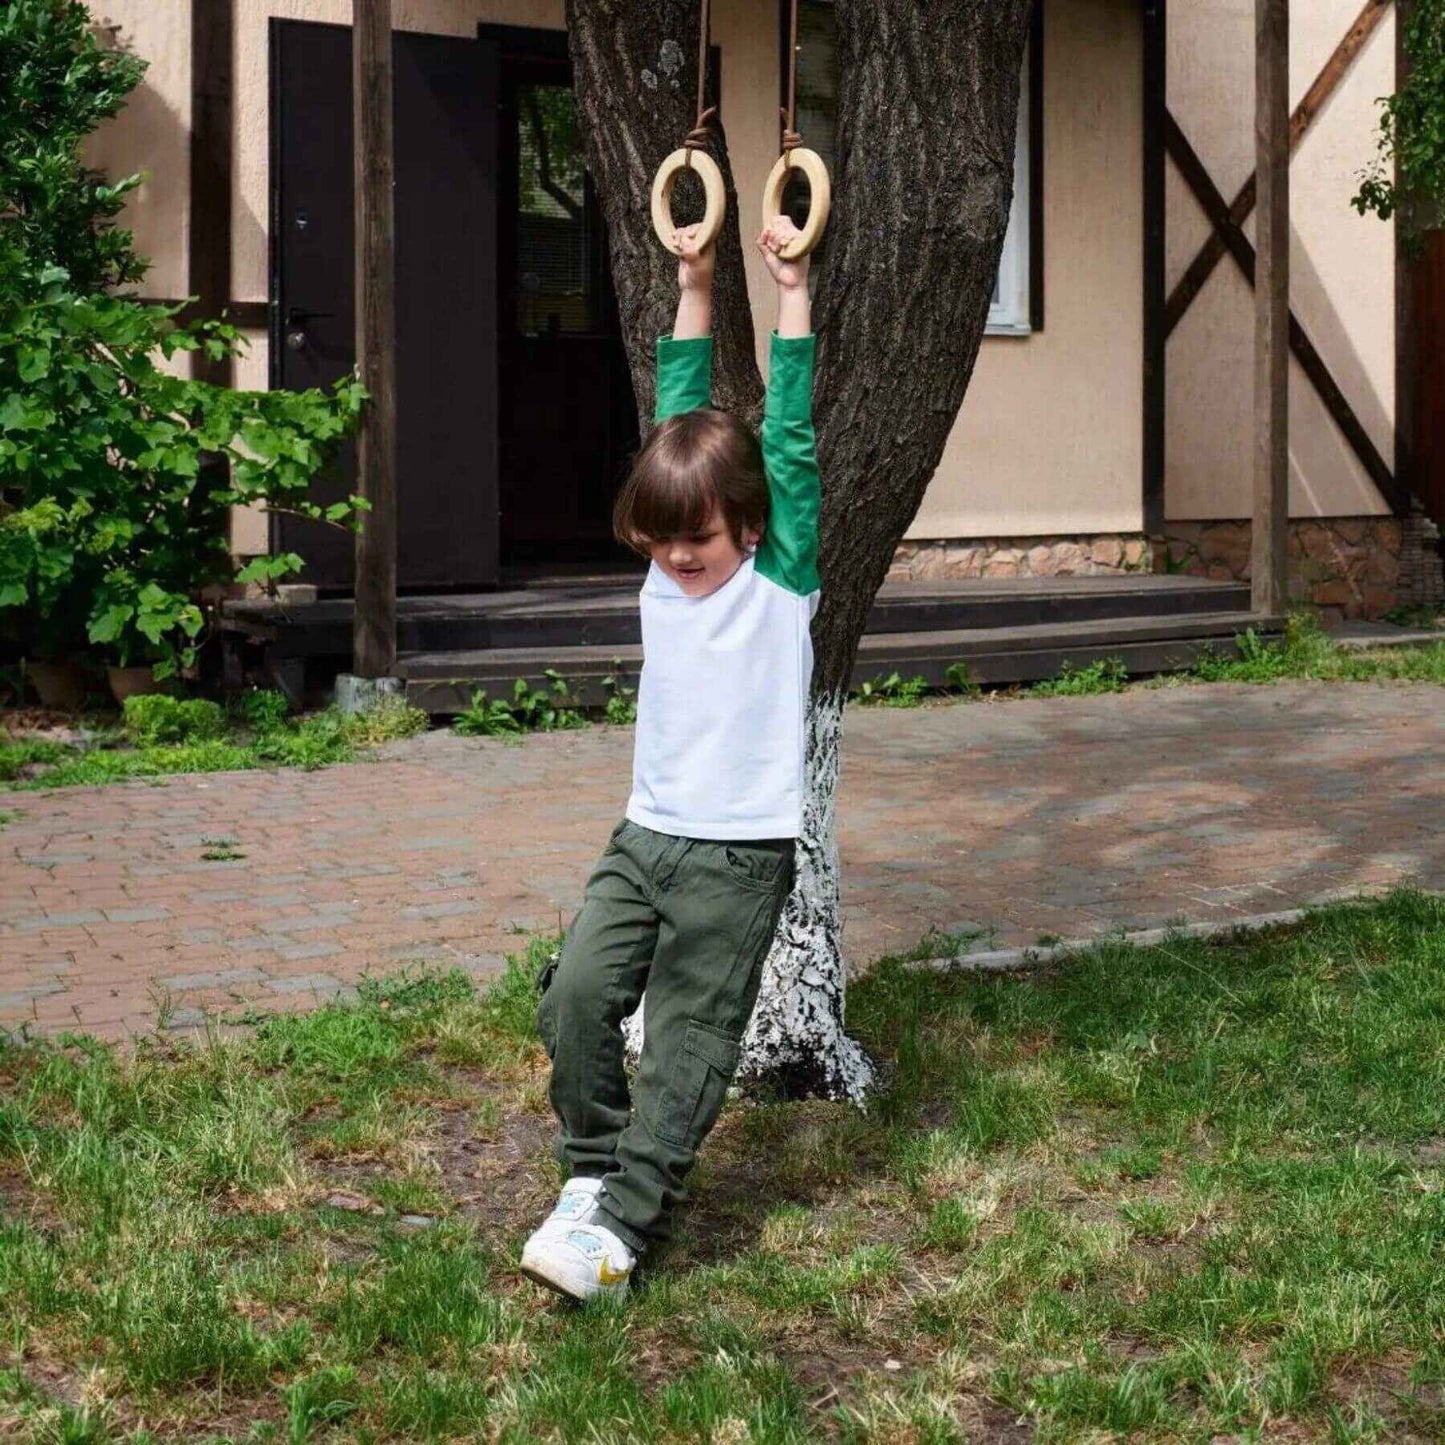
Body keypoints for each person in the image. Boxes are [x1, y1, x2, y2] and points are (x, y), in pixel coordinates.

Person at [520, 214, 820, 1302]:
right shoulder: (666, 570)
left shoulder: (776, 578)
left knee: (690, 1041)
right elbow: (677, 413)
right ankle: (590, 1174)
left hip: (738, 852)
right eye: (659, 540)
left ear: (750, 524)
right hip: (646, 832)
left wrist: (790, 291)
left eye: (695, 540)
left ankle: (623, 1230)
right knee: (574, 997)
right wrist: (693, 280)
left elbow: (784, 431)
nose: (675, 558)